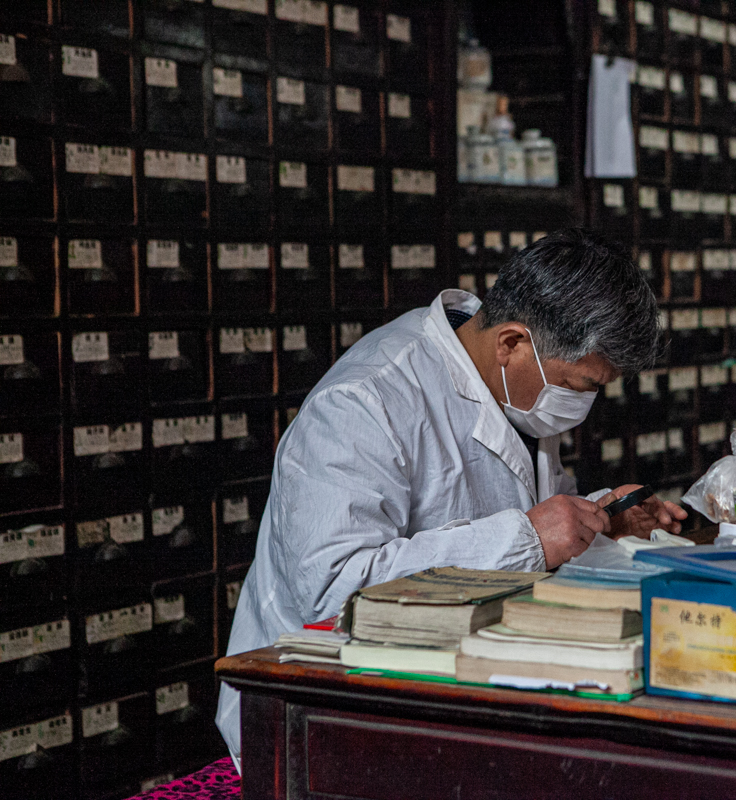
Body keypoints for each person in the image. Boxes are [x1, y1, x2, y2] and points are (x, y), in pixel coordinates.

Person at [216, 228, 686, 766]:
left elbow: (506, 506)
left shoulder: (513, 382)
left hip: (453, 675)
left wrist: (600, 518)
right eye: (580, 385)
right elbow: (330, 589)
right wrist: (529, 539)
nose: (583, 403)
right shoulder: (364, 401)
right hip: (321, 709)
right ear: (511, 342)